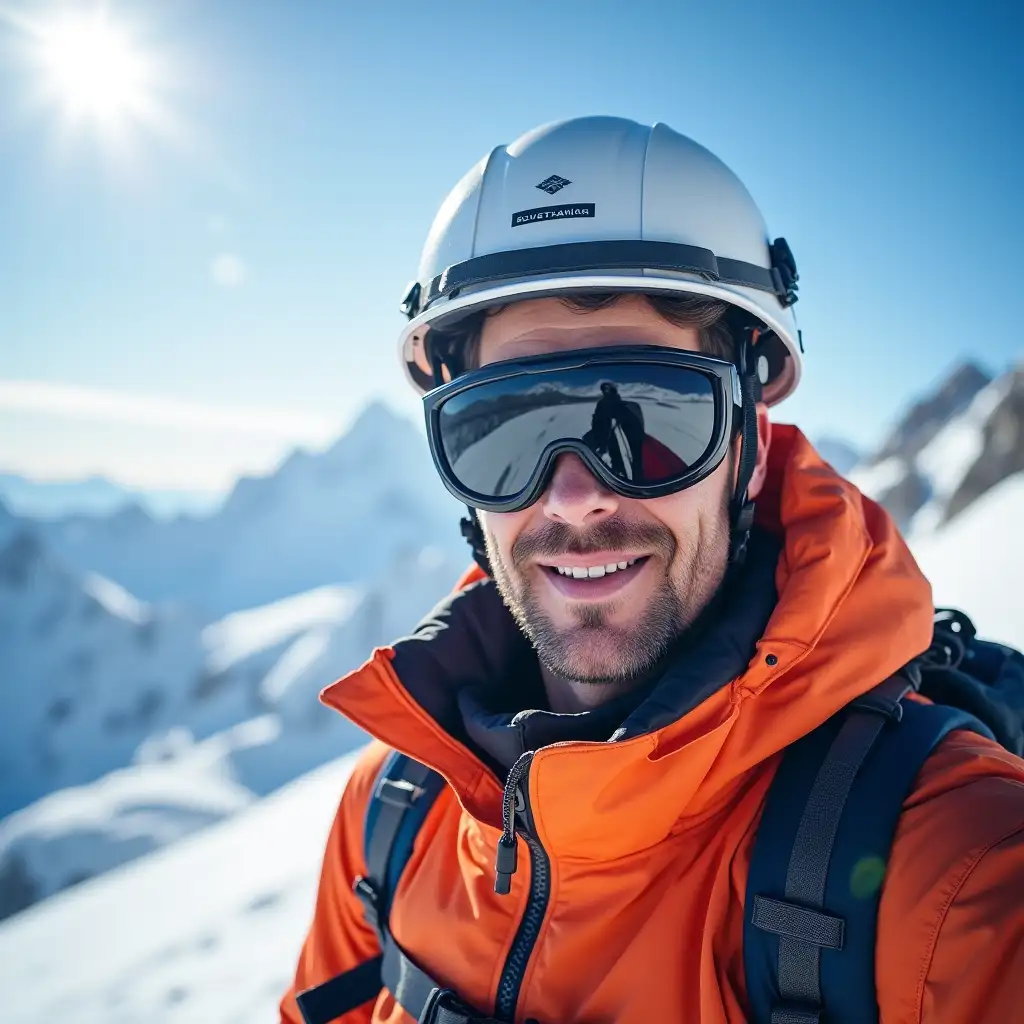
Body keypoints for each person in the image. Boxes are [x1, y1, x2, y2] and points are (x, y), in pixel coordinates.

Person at [281, 117, 1024, 1024]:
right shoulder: (392, 815)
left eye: (648, 417)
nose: (574, 497)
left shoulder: (954, 869)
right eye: (504, 428)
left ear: (750, 448)